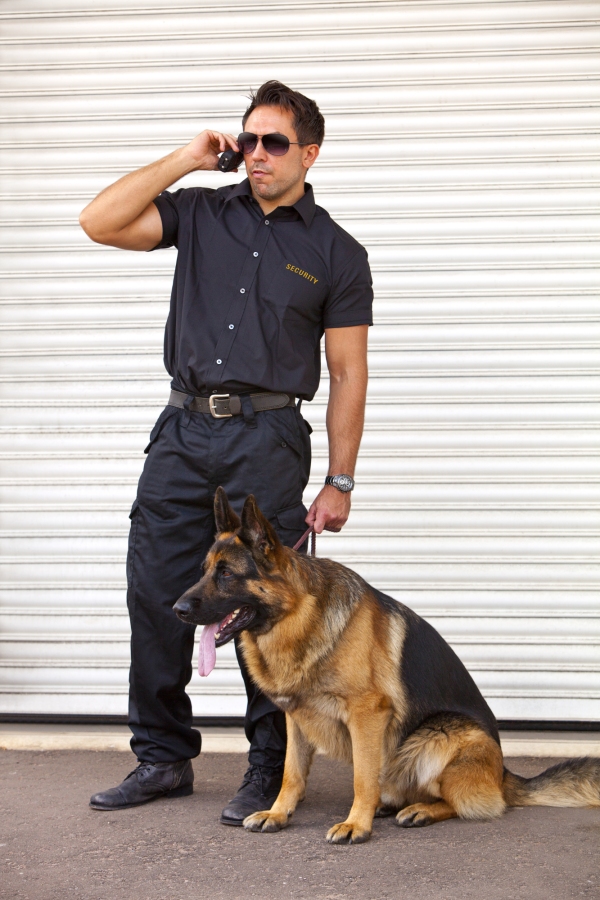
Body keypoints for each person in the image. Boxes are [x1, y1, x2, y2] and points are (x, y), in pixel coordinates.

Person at [79, 81, 373, 823]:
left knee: (267, 607)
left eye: (275, 142)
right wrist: (187, 157)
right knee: (154, 594)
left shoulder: (336, 252)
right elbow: (97, 222)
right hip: (181, 434)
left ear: (310, 152)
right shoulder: (204, 212)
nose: (258, 155)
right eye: (249, 139)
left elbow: (346, 372)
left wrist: (340, 479)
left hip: (268, 440)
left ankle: (267, 772)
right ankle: (162, 759)